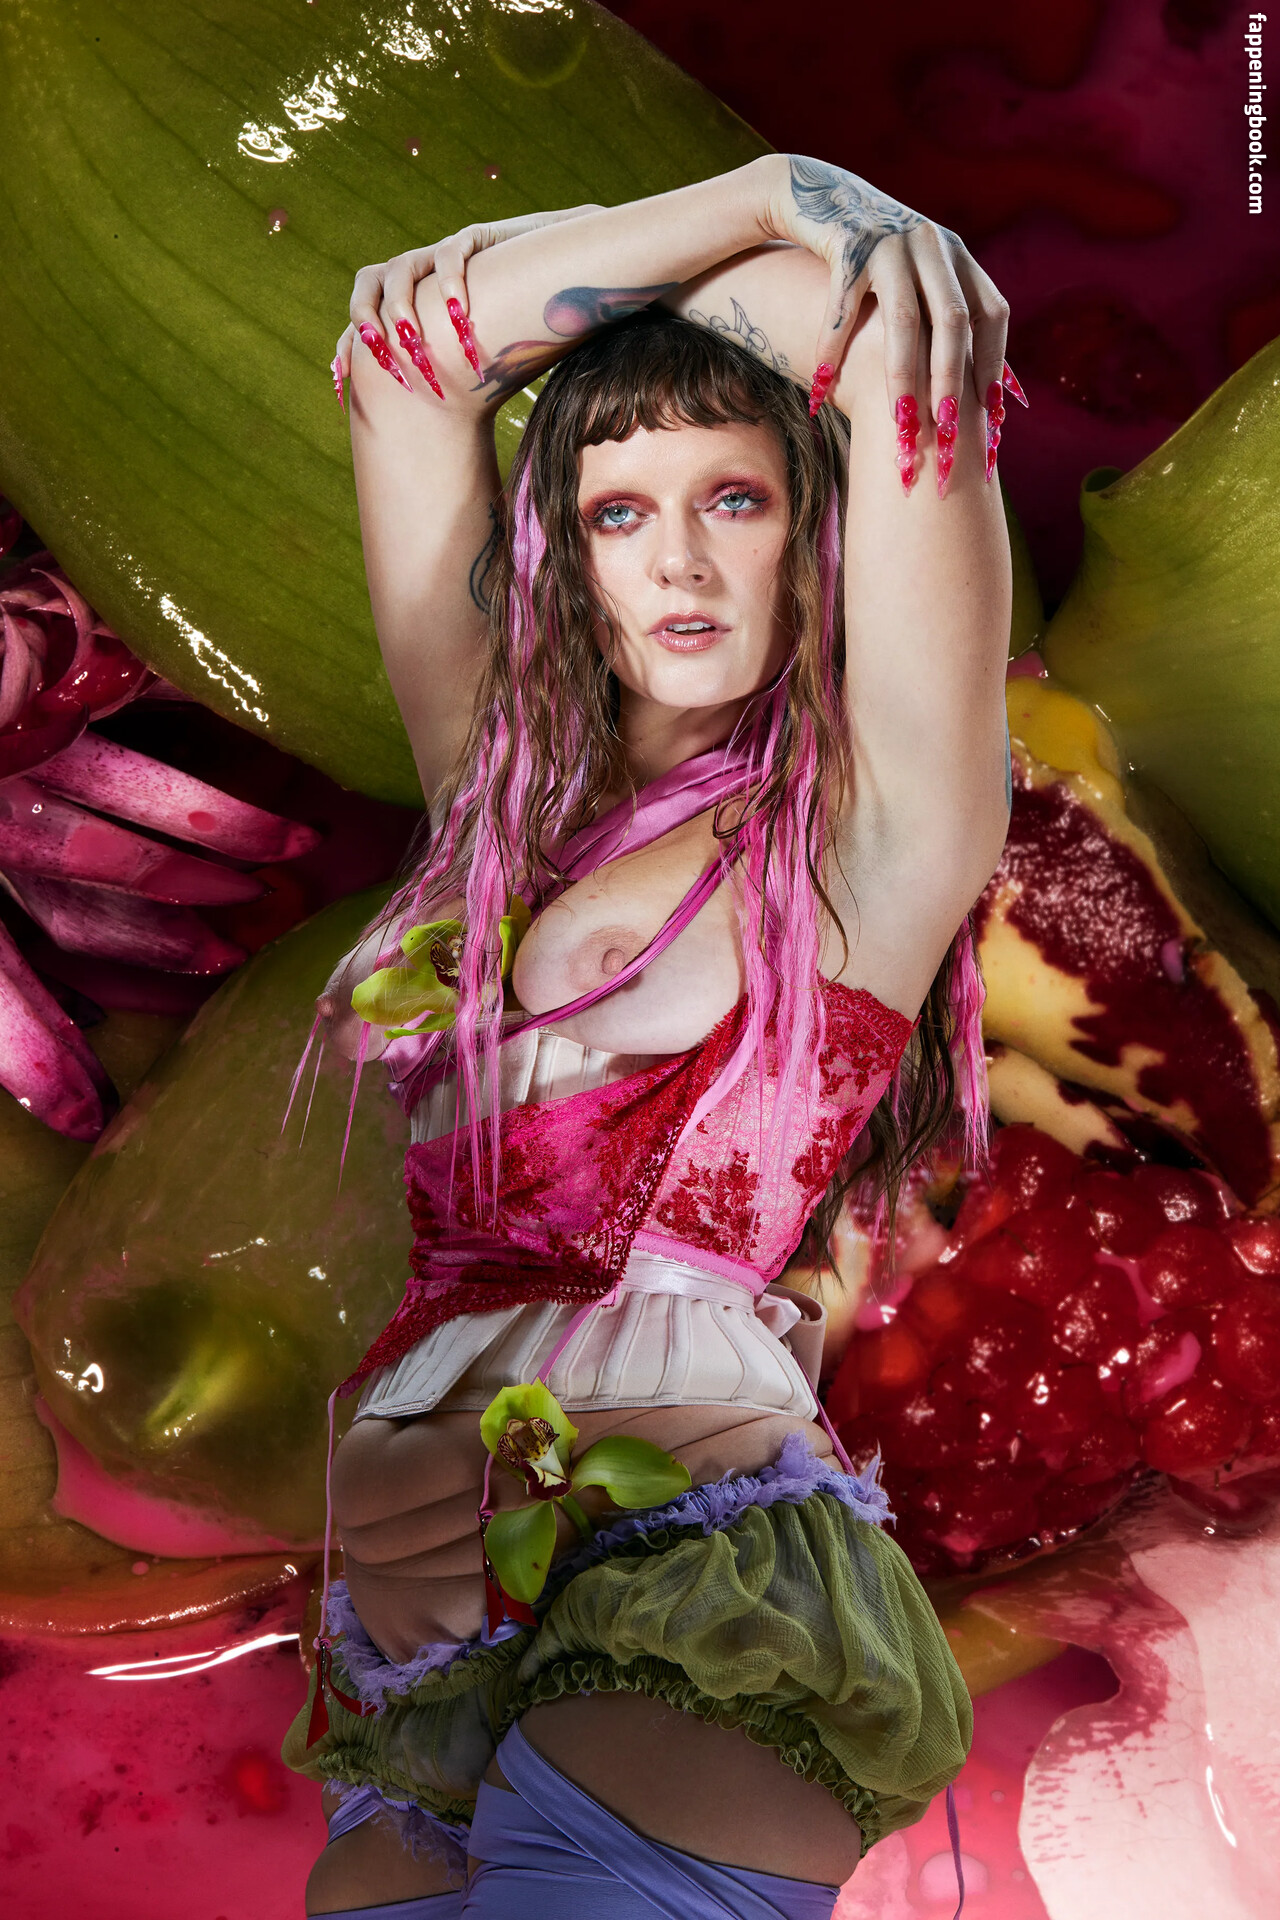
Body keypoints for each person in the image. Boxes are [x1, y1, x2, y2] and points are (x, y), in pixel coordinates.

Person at [283, 151, 1015, 1919]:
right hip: (422, 1614)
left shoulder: (873, 833)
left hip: (695, 1573)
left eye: (734, 498)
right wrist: (757, 194)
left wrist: (809, 244)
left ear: (814, 522)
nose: (677, 559)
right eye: (617, 511)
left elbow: (888, 343)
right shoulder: (500, 797)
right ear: (564, 552)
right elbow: (406, 361)